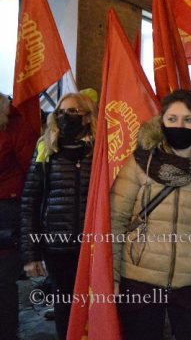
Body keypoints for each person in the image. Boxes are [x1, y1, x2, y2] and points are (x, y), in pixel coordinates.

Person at [110, 90, 191, 340]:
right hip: (139, 278)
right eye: (172, 119)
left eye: (188, 120)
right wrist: (113, 276)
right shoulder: (139, 163)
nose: (180, 126)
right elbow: (115, 220)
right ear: (162, 122)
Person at [21, 92, 97, 339]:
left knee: (97, 305)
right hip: (57, 247)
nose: (65, 116)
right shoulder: (46, 149)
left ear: (87, 117)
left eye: (73, 111)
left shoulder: (99, 150)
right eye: (61, 112)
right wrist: (31, 254)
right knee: (65, 306)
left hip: (93, 246)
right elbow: (30, 203)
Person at [0, 93, 39, 340]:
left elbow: (32, 171)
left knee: (3, 280)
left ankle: (6, 332)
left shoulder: (17, 127)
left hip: (8, 211)